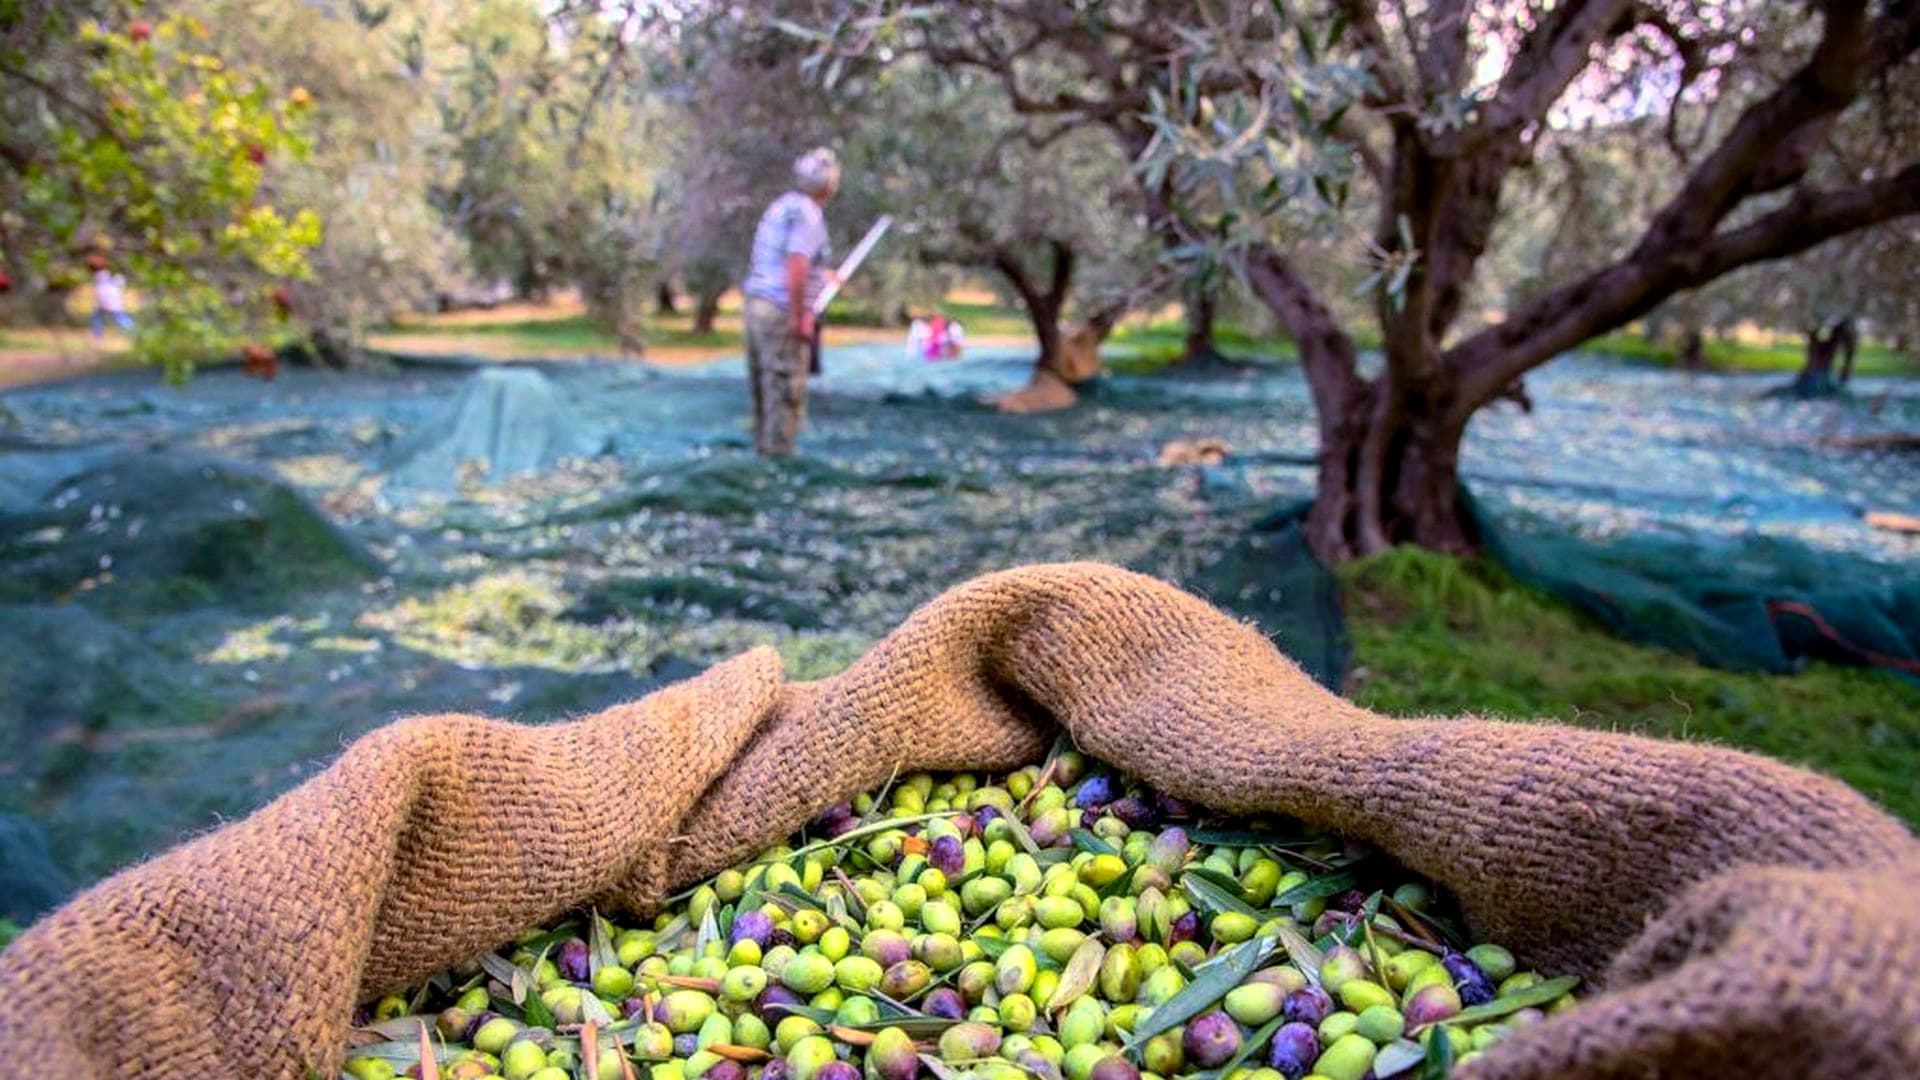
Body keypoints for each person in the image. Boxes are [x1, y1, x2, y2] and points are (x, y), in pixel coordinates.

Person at [742, 147, 840, 457]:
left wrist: (823, 278)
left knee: (765, 388)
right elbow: (796, 264)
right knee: (783, 392)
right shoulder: (809, 214)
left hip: (757, 306)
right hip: (781, 311)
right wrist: (800, 318)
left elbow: (790, 262)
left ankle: (764, 452)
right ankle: (777, 463)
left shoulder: (783, 207)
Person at [90, 259, 134, 339]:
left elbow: (103, 291)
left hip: (107, 302)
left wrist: (104, 302)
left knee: (118, 317)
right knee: (100, 317)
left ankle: (134, 330)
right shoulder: (108, 275)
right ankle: (134, 331)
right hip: (111, 301)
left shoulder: (101, 276)